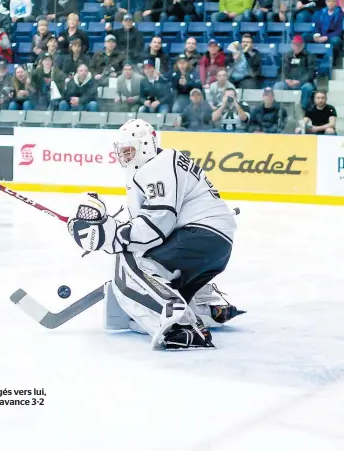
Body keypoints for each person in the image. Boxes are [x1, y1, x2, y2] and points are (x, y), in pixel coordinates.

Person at [66, 119, 244, 350]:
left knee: (133, 263)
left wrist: (112, 238)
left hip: (201, 235)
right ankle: (205, 309)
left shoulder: (157, 166)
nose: (124, 156)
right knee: (152, 268)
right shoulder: (160, 165)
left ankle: (182, 327)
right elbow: (149, 224)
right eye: (122, 151)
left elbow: (158, 223)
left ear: (144, 146)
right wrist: (113, 231)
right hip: (215, 244)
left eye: (129, 150)